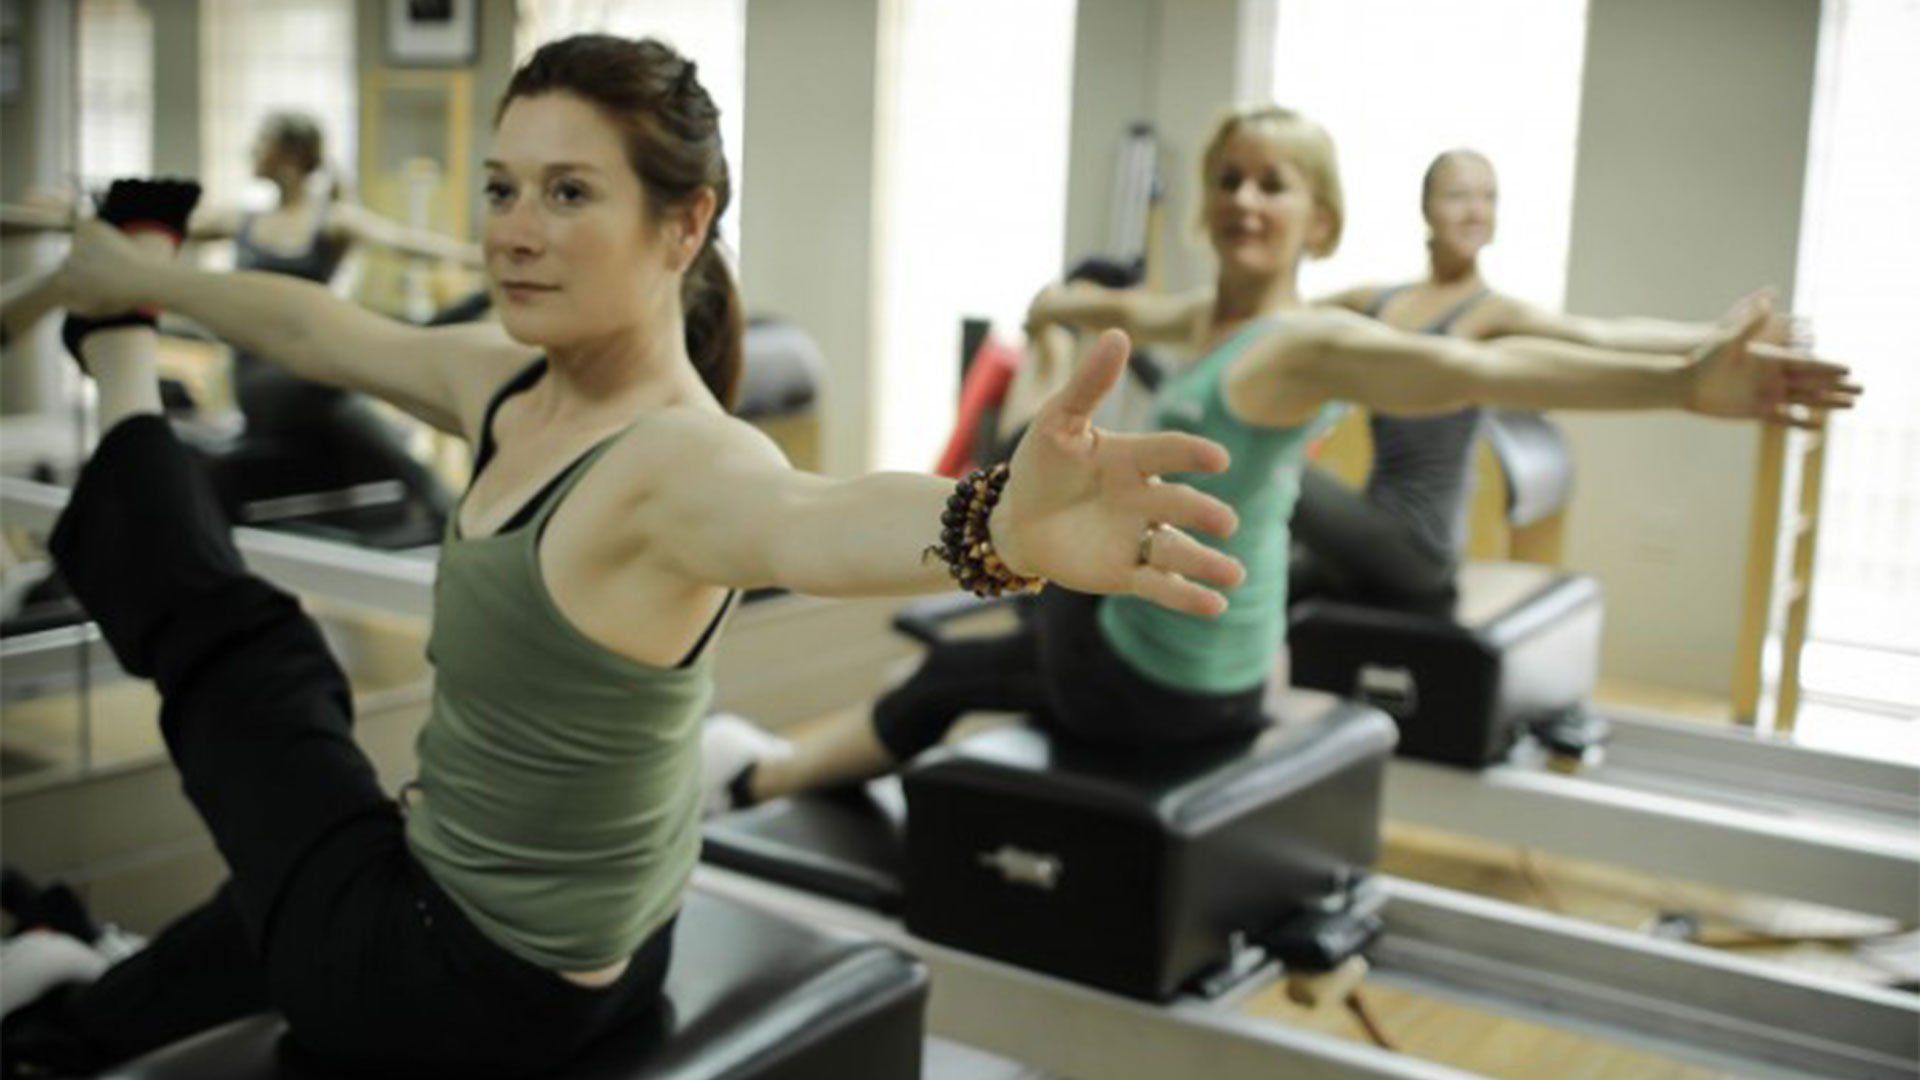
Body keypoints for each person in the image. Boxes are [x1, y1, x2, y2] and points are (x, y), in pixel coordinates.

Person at [6, 36, 1244, 1077]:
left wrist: (993, 528)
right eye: (500, 190)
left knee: (257, 663)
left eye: (568, 193)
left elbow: (813, 519)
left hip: (458, 987)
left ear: (683, 222)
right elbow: (325, 328)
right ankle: (73, 1015)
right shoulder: (515, 387)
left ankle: (118, 345)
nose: (514, 233)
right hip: (550, 931)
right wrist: (181, 279)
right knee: (252, 909)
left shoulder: (677, 465)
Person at [719, 104, 1858, 811]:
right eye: (1231, 178)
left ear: (1322, 220)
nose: (1245, 199)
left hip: (1165, 684)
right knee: (1016, 590)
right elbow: (1122, 305)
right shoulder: (1204, 319)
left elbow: (1493, 372)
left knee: (958, 661)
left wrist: (1678, 376)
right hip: (1215, 675)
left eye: (1277, 184)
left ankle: (747, 779)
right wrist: (1053, 297)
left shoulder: (1304, 342)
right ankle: (781, 761)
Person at [1294, 148, 1801, 604]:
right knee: (1269, 574)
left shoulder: (1488, 312)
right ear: (1426, 209)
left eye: (1488, 197)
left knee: (1280, 474)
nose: (1476, 211)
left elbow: (1602, 335)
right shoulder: (1377, 301)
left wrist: (1711, 336)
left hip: (1421, 546)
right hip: (1373, 523)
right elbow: (1277, 319)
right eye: (1458, 196)